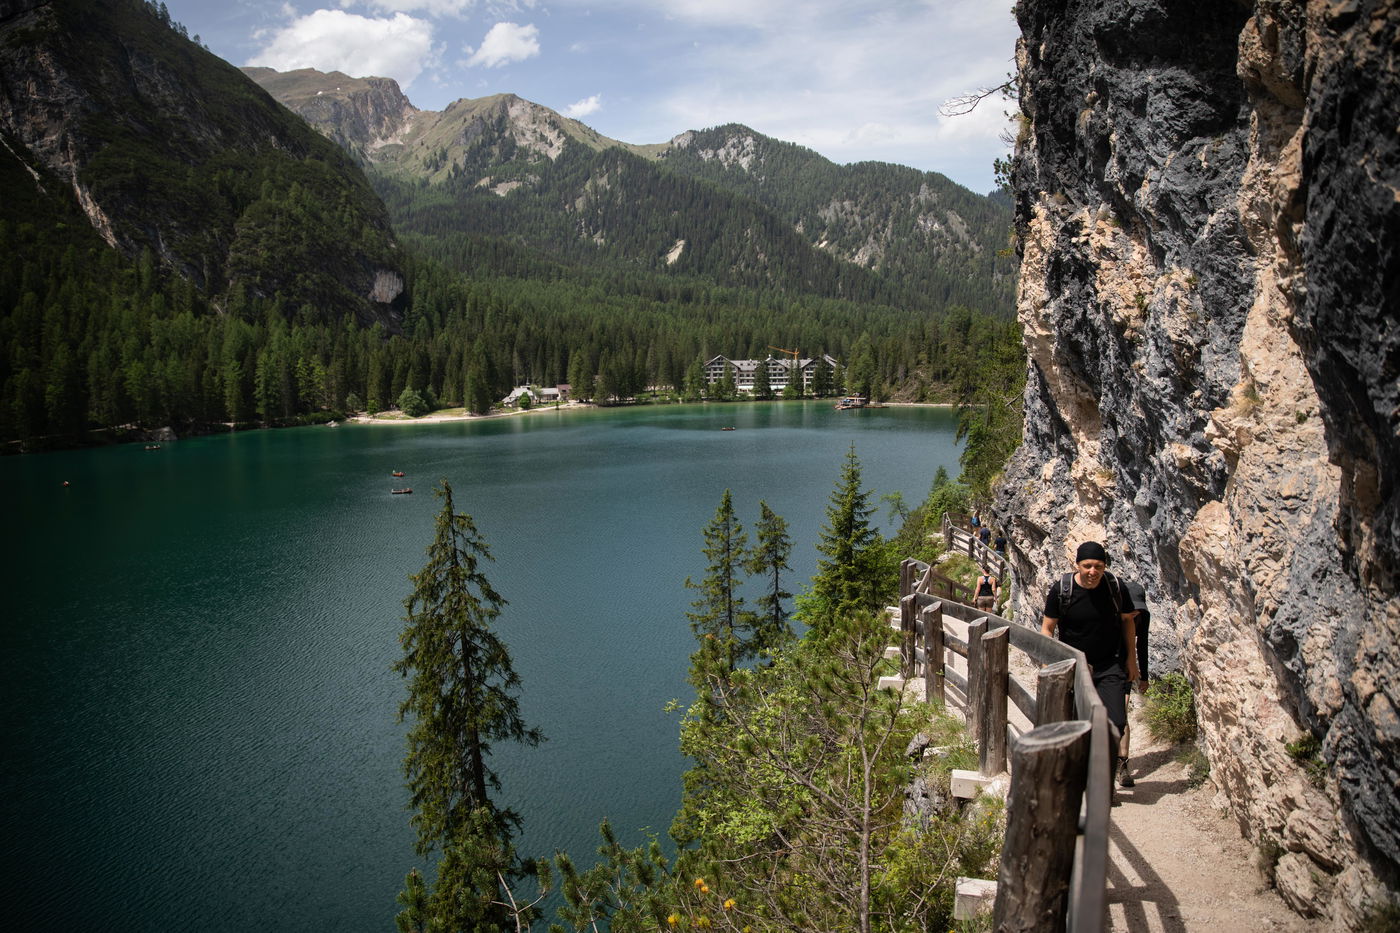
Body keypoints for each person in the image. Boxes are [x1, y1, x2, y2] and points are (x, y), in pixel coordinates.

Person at [1042, 541, 1138, 795]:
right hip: (1075, 666)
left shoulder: (1115, 587)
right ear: (1077, 565)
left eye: (1098, 566)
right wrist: (1049, 665)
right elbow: (1047, 628)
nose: (1093, 571)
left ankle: (1103, 774)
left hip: (1110, 663)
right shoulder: (1062, 590)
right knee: (1077, 722)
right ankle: (1092, 782)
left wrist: (1132, 660)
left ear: (1105, 566)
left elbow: (1128, 622)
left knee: (1116, 721)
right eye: (1087, 566)